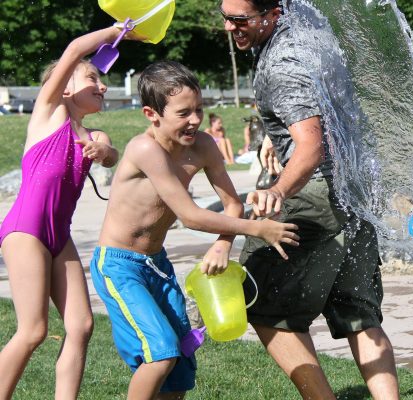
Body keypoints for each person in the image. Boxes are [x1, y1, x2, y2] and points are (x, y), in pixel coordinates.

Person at [221, 1, 400, 399]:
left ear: (273, 12)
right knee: (358, 310)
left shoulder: (282, 65)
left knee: (260, 300)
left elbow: (311, 146)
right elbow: (321, 108)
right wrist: (275, 132)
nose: (230, 27)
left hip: (313, 192)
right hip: (356, 191)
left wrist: (278, 189)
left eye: (240, 19)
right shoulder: (311, 32)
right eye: (225, 16)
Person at [89, 60, 299, 400]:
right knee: (161, 352)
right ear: (151, 113)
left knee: (181, 365)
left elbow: (232, 202)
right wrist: (257, 229)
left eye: (199, 109)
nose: (195, 120)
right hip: (118, 265)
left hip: (157, 263)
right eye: (184, 113)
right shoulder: (145, 149)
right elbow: (189, 215)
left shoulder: (203, 146)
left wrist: (223, 244)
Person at [0, 27, 126, 399]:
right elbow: (73, 50)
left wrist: (106, 155)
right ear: (65, 87)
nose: (102, 86)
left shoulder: (94, 135)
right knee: (33, 330)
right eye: (93, 79)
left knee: (82, 324)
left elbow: (110, 152)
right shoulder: (48, 113)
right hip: (27, 231)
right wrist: (117, 31)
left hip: (59, 237)